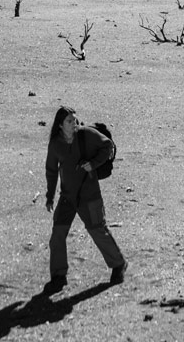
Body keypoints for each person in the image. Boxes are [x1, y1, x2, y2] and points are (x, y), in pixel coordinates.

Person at [43, 106, 126, 293]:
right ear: (60, 125)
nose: (74, 124)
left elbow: (108, 146)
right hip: (68, 197)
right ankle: (58, 275)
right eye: (69, 121)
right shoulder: (56, 144)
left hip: (90, 196)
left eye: (74, 120)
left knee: (98, 230)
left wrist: (93, 165)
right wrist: (49, 196)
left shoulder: (86, 134)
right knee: (57, 234)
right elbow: (51, 170)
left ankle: (119, 264)